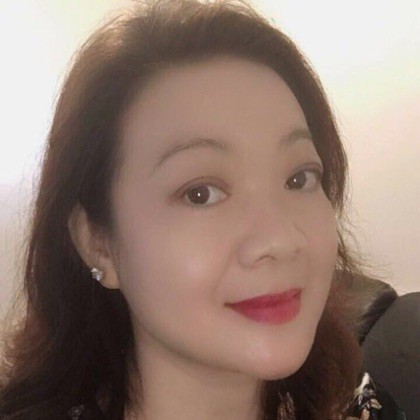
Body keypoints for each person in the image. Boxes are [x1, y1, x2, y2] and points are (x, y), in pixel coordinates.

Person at [0, 0, 401, 418]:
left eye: (299, 178)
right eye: (200, 193)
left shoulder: (361, 407)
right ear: (97, 243)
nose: (281, 240)